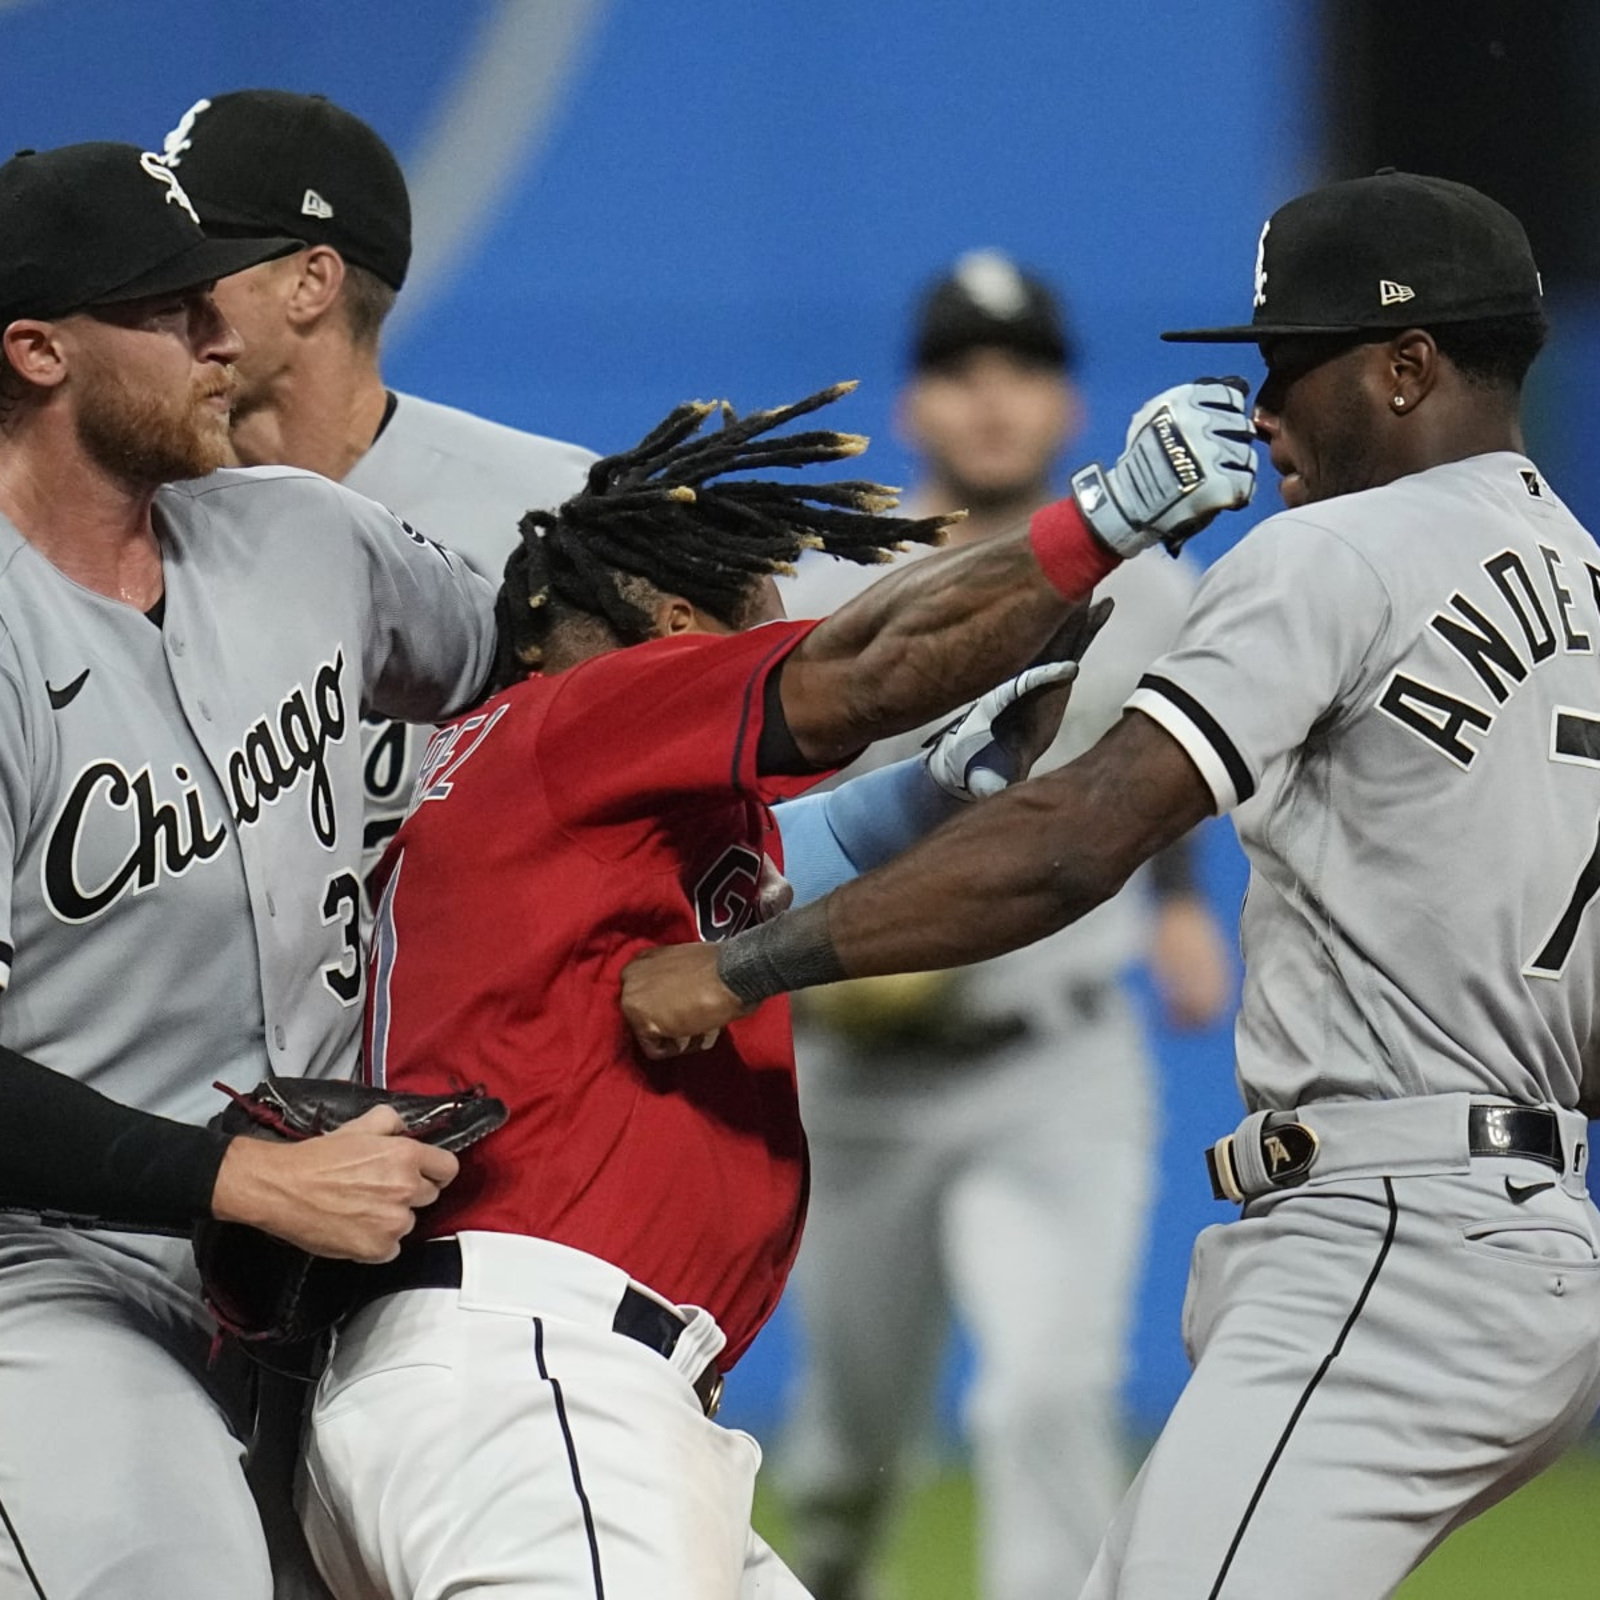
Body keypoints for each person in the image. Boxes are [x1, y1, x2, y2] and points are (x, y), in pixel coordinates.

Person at [621, 171, 1600, 1600]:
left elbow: (1084, 833)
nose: (1263, 408)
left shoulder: (1333, 551)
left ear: (1407, 368)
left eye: (1291, 362)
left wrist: (742, 964)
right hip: (1525, 1226)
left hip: (1394, 1240)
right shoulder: (1581, 581)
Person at [292, 377, 1254, 1600]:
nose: (780, 630)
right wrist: (1105, 519)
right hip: (536, 1381)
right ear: (679, 618)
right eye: (759, 615)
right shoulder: (586, 711)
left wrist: (929, 791)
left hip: (523, 1383)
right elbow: (869, 672)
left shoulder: (540, 787)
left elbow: (767, 869)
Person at [0, 141, 503, 1600]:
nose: (225, 340)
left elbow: (545, 669)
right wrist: (243, 1179)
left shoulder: (300, 533)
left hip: (302, 1262)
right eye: (170, 311)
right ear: (36, 349)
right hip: (52, 1274)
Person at [775, 251, 1232, 1600]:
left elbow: (1166, 764)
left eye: (1021, 371)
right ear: (915, 409)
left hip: (1055, 1061)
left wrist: (1184, 910)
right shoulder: (826, 588)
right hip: (853, 1085)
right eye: (960, 373)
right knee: (845, 1459)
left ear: (1066, 405)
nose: (991, 402)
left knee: (1042, 1400)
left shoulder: (1149, 592)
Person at [155, 88, 597, 896]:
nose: (163, 283)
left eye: (199, 254)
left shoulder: (559, 514)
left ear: (310, 283)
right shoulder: (119, 525)